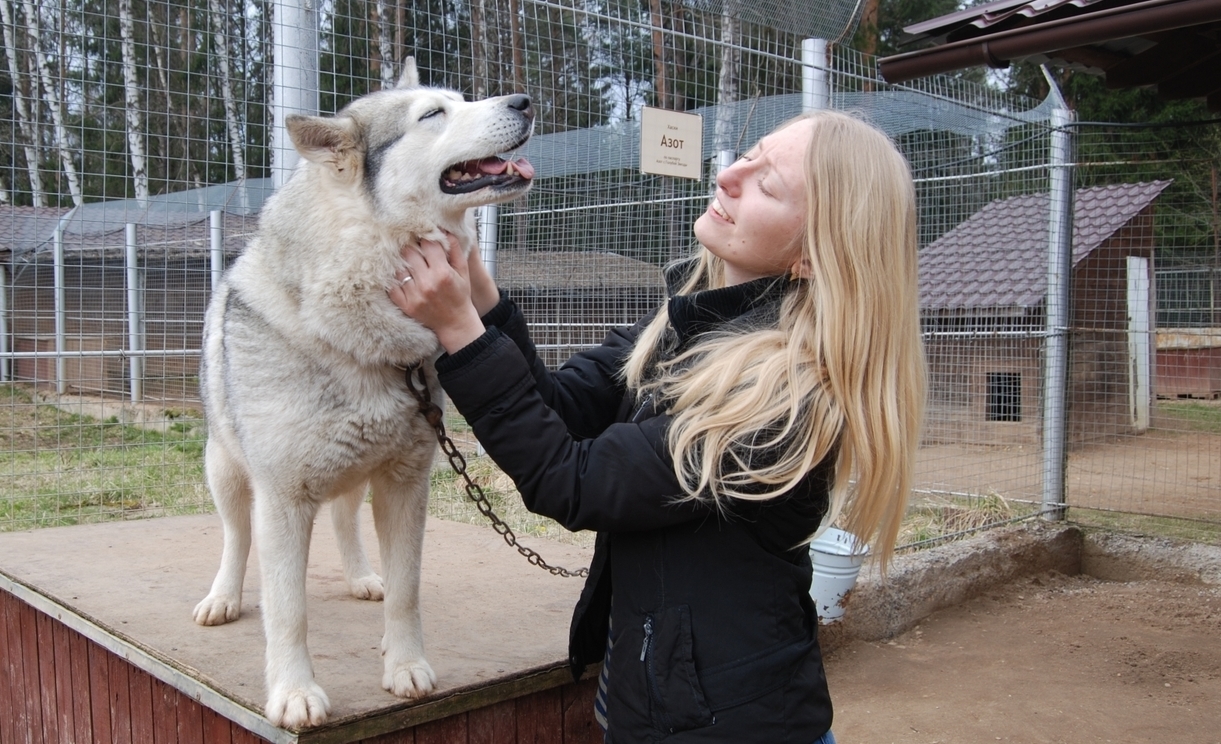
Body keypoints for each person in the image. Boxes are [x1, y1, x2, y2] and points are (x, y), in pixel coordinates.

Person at [388, 109, 926, 743]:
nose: (727, 175)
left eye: (767, 185)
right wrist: (479, 294)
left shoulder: (785, 395)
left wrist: (458, 333)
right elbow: (560, 411)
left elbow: (571, 479)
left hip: (730, 726)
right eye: (748, 155)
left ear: (813, 256)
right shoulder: (685, 326)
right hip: (652, 703)